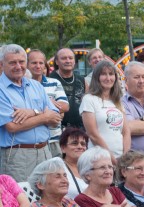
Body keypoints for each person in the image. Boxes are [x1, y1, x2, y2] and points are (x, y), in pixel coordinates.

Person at [0, 44, 63, 182]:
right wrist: (44, 116)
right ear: (1, 65)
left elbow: (56, 118)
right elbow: (12, 126)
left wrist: (32, 112)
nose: (18, 66)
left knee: (46, 193)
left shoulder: (36, 85)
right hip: (17, 156)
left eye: (21, 62)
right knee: (20, 194)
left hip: (45, 151)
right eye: (12, 63)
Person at [80, 60, 131, 159]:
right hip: (99, 158)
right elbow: (93, 135)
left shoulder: (117, 101)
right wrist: (111, 158)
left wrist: (125, 157)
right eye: (103, 74)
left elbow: (126, 132)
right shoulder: (89, 99)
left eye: (111, 74)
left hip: (121, 159)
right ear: (96, 77)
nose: (108, 78)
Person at [26, 49, 70, 157]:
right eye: (34, 63)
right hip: (32, 142)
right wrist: (48, 102)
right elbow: (22, 112)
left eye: (41, 63)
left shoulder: (54, 83)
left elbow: (65, 106)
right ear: (27, 65)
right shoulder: (22, 85)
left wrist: (34, 110)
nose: (38, 66)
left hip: (54, 140)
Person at [52, 48, 85, 130]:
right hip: (58, 130)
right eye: (64, 58)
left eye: (70, 58)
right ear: (56, 61)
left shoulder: (82, 80)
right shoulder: (49, 80)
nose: (68, 61)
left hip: (80, 130)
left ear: (74, 61)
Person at [56, 127, 89, 198]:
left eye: (83, 144)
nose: (80, 147)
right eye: (75, 143)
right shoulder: (56, 166)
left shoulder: (91, 167)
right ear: (63, 148)